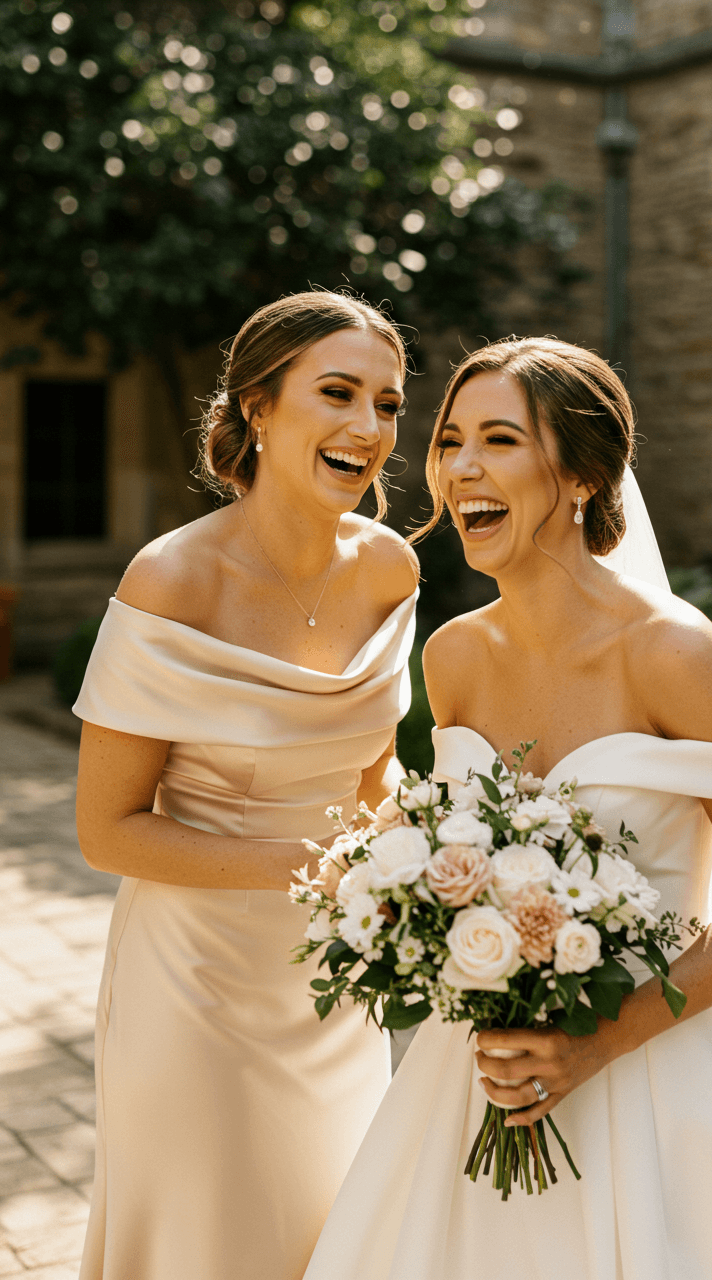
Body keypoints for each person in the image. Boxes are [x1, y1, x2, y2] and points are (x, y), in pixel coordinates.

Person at [304, 337, 712, 1280]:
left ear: (581, 475)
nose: (462, 469)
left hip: (655, 1072)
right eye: (449, 442)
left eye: (499, 440)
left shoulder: (674, 653)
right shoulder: (453, 657)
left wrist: (600, 1042)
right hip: (476, 1074)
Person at [73, 291, 419, 1279]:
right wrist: (319, 865)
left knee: (332, 1234)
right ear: (258, 408)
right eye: (338, 392)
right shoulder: (172, 580)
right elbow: (107, 830)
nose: (368, 427)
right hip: (195, 982)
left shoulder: (390, 567)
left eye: (388, 404)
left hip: (335, 982)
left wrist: (420, 853)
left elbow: (370, 770)